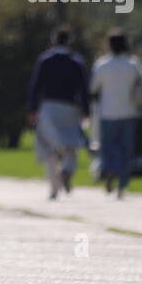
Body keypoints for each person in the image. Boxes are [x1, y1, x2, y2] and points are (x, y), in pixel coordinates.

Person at [27, 26, 91, 200]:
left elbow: (35, 86)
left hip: (48, 107)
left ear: (53, 41)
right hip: (70, 107)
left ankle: (54, 187)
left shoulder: (45, 60)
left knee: (49, 147)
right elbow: (84, 89)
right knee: (70, 144)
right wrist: (86, 111)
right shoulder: (77, 62)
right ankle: (67, 170)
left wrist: (32, 109)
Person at [90, 29, 142, 199]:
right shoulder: (133, 64)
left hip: (107, 112)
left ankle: (109, 170)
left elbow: (93, 87)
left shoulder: (102, 65)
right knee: (126, 149)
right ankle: (122, 184)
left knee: (109, 148)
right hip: (128, 112)